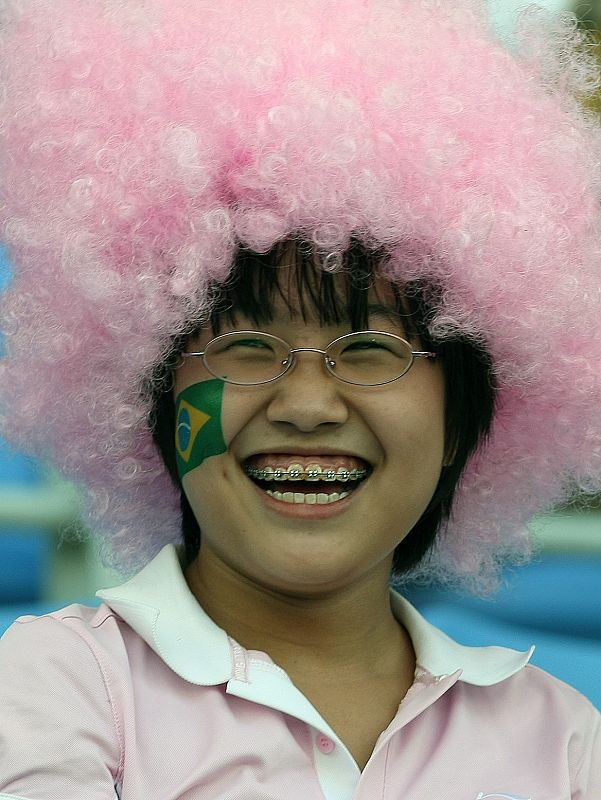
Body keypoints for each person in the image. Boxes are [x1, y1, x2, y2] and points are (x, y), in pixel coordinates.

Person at [0, 0, 600, 797]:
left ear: (457, 418)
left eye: (370, 350)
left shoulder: (560, 742)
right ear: (149, 390)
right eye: (246, 345)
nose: (308, 403)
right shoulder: (55, 690)